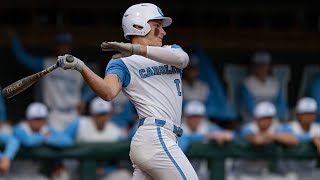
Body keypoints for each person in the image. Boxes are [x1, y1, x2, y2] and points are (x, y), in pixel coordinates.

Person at [55, 2, 198, 179]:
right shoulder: (122, 63)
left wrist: (135, 49)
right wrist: (81, 67)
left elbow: (183, 59)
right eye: (157, 26)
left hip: (164, 138)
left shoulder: (171, 51)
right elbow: (108, 92)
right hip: (154, 136)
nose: (163, 32)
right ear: (139, 27)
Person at [10, 31, 95, 131]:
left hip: (73, 112)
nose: (63, 47)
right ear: (56, 46)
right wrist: (13, 38)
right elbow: (23, 58)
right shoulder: (46, 63)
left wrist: (84, 99)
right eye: (61, 44)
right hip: (54, 114)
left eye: (66, 44)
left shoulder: (79, 66)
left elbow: (94, 85)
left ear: (70, 46)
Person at [64, 96, 130, 180]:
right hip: (78, 172)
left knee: (124, 175)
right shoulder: (79, 124)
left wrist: (106, 170)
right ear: (92, 114)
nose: (102, 118)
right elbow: (62, 141)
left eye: (105, 114)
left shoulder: (116, 132)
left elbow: (119, 160)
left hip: (104, 175)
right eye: (99, 114)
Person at [229, 102, 296, 180]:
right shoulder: (248, 128)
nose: (266, 121)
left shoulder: (275, 128)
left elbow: (293, 140)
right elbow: (257, 141)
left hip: (260, 173)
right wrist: (273, 136)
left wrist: (272, 136)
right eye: (263, 118)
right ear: (256, 118)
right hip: (241, 173)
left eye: (269, 118)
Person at [11, 102, 73, 180]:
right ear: (28, 119)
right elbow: (28, 141)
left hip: (33, 174)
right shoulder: (19, 128)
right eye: (35, 118)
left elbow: (68, 141)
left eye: (41, 118)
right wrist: (43, 137)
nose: (38, 122)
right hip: (14, 173)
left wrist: (47, 139)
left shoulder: (46, 130)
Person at [179, 101, 234, 180]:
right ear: (186, 117)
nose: (195, 119)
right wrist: (206, 136)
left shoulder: (208, 127)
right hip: (182, 171)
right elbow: (182, 145)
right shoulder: (179, 128)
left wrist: (224, 135)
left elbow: (231, 135)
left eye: (198, 116)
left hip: (202, 173)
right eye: (192, 116)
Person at [277, 97, 320, 180]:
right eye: (305, 113)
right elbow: (287, 138)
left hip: (310, 172)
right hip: (288, 173)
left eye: (311, 113)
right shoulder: (287, 127)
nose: (309, 116)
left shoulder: (317, 128)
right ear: (298, 115)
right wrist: (311, 137)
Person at [240, 51, 288, 122]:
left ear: (269, 66)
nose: (262, 67)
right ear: (254, 66)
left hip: (272, 120)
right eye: (259, 64)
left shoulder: (274, 83)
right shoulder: (247, 83)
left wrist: (271, 116)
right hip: (253, 121)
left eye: (264, 64)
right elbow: (250, 107)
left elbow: (282, 106)